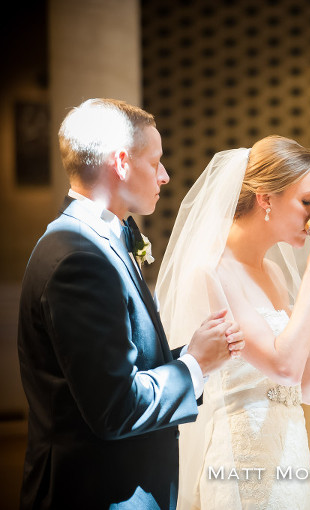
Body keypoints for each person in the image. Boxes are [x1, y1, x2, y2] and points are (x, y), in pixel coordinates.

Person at [17, 98, 244, 510]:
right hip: (98, 492)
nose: (165, 175)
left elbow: (115, 371)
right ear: (121, 162)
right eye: (155, 161)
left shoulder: (102, 240)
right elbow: (113, 407)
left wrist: (195, 354)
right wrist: (194, 365)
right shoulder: (79, 257)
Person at [156, 135, 310, 509]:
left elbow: (304, 388)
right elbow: (283, 367)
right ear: (265, 199)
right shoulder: (212, 271)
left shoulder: (274, 274)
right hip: (244, 462)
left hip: (289, 453)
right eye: (308, 200)